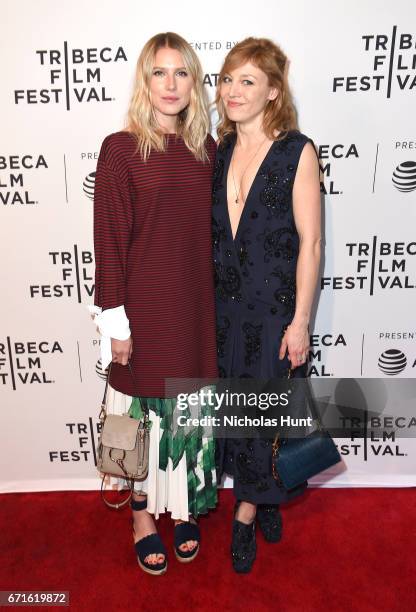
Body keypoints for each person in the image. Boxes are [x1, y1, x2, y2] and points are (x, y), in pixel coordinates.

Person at [90, 32, 218, 576]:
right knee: (143, 412)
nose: (171, 85)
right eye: (159, 73)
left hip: (195, 306)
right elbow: (109, 239)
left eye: (181, 72)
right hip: (142, 306)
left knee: (186, 407)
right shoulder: (121, 149)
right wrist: (114, 321)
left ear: (194, 82)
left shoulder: (208, 151)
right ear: (145, 82)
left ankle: (185, 507)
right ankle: (141, 515)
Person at [212, 37, 321, 573]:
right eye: (228, 79)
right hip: (221, 315)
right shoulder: (217, 150)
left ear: (273, 91)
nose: (233, 91)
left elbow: (312, 243)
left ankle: (248, 515)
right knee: (235, 419)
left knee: (265, 416)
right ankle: (270, 492)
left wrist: (301, 321)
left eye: (247, 81)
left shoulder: (297, 151)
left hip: (274, 314)